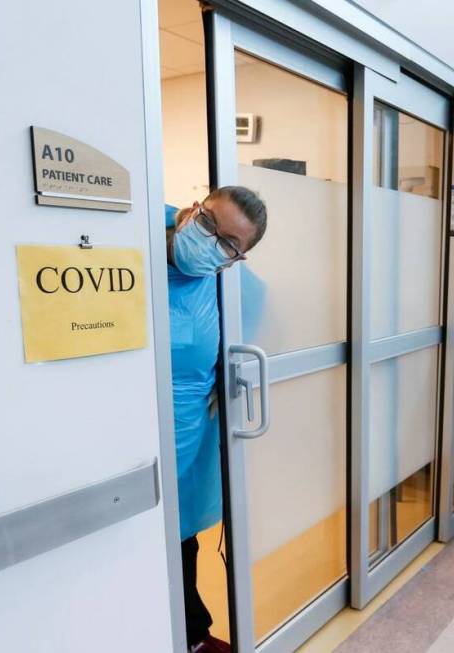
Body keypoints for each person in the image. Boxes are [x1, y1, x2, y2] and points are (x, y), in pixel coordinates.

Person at [167, 187, 267, 653]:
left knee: (181, 535)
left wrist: (227, 374)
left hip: (186, 430)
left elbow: (256, 310)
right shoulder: (131, 247)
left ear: (235, 260)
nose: (212, 244)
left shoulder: (220, 282)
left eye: (229, 245)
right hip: (124, 428)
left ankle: (190, 634)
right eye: (209, 224)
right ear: (192, 209)